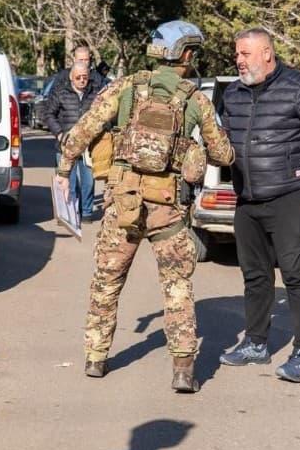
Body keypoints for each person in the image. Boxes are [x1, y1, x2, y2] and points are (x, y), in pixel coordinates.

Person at [54, 20, 233, 393]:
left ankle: (95, 358)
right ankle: (183, 369)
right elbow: (222, 154)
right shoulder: (195, 99)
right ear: (185, 54)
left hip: (123, 203)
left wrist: (64, 169)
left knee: (107, 281)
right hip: (167, 207)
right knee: (177, 286)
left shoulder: (125, 87)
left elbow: (84, 129)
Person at [217, 28, 300, 383]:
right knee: (255, 275)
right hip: (247, 198)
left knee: (297, 274)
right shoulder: (233, 94)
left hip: (291, 196)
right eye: (237, 54)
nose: (239, 60)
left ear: (267, 53)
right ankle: (255, 343)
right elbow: (223, 138)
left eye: (245, 54)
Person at [44, 62, 99, 220]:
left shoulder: (95, 93)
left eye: (85, 77)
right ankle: (70, 213)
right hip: (66, 145)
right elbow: (49, 115)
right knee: (69, 182)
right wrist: (59, 133)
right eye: (78, 77)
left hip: (88, 147)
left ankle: (86, 212)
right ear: (71, 77)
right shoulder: (60, 92)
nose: (82, 80)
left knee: (88, 181)